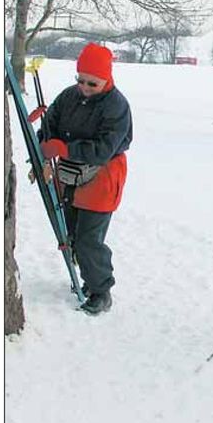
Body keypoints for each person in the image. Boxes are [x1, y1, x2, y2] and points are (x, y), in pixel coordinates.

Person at [35, 44, 133, 316]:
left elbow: (104, 149)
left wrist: (65, 148)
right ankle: (88, 276)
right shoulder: (69, 96)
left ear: (107, 78)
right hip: (70, 175)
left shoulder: (117, 106)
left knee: (90, 239)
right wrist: (45, 143)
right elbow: (50, 122)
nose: (85, 86)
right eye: (81, 80)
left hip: (102, 177)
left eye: (93, 82)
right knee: (72, 234)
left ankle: (101, 290)